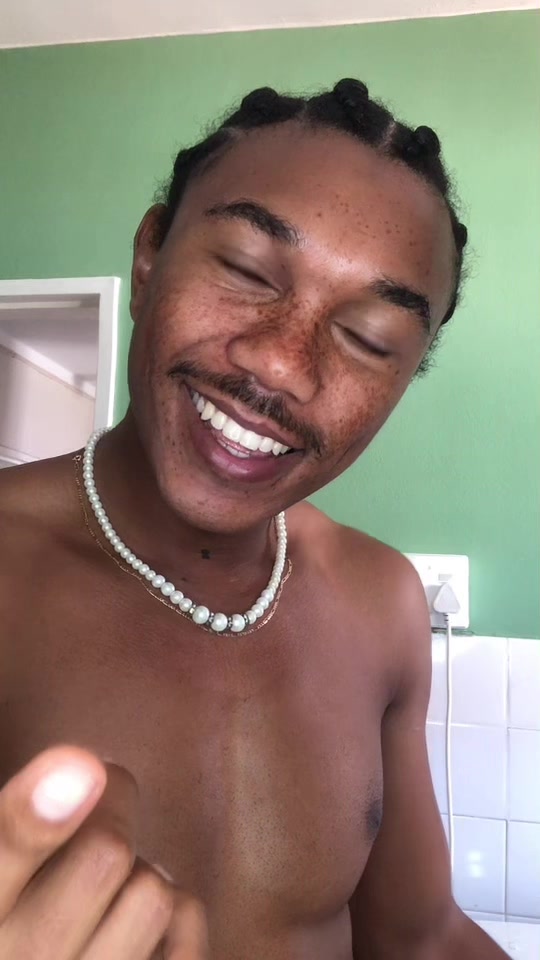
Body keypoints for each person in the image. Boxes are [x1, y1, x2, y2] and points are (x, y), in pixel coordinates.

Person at [0, 79, 509, 959]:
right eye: (243, 271)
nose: (281, 365)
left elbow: (420, 937)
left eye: (370, 338)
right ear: (149, 258)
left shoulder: (381, 601)